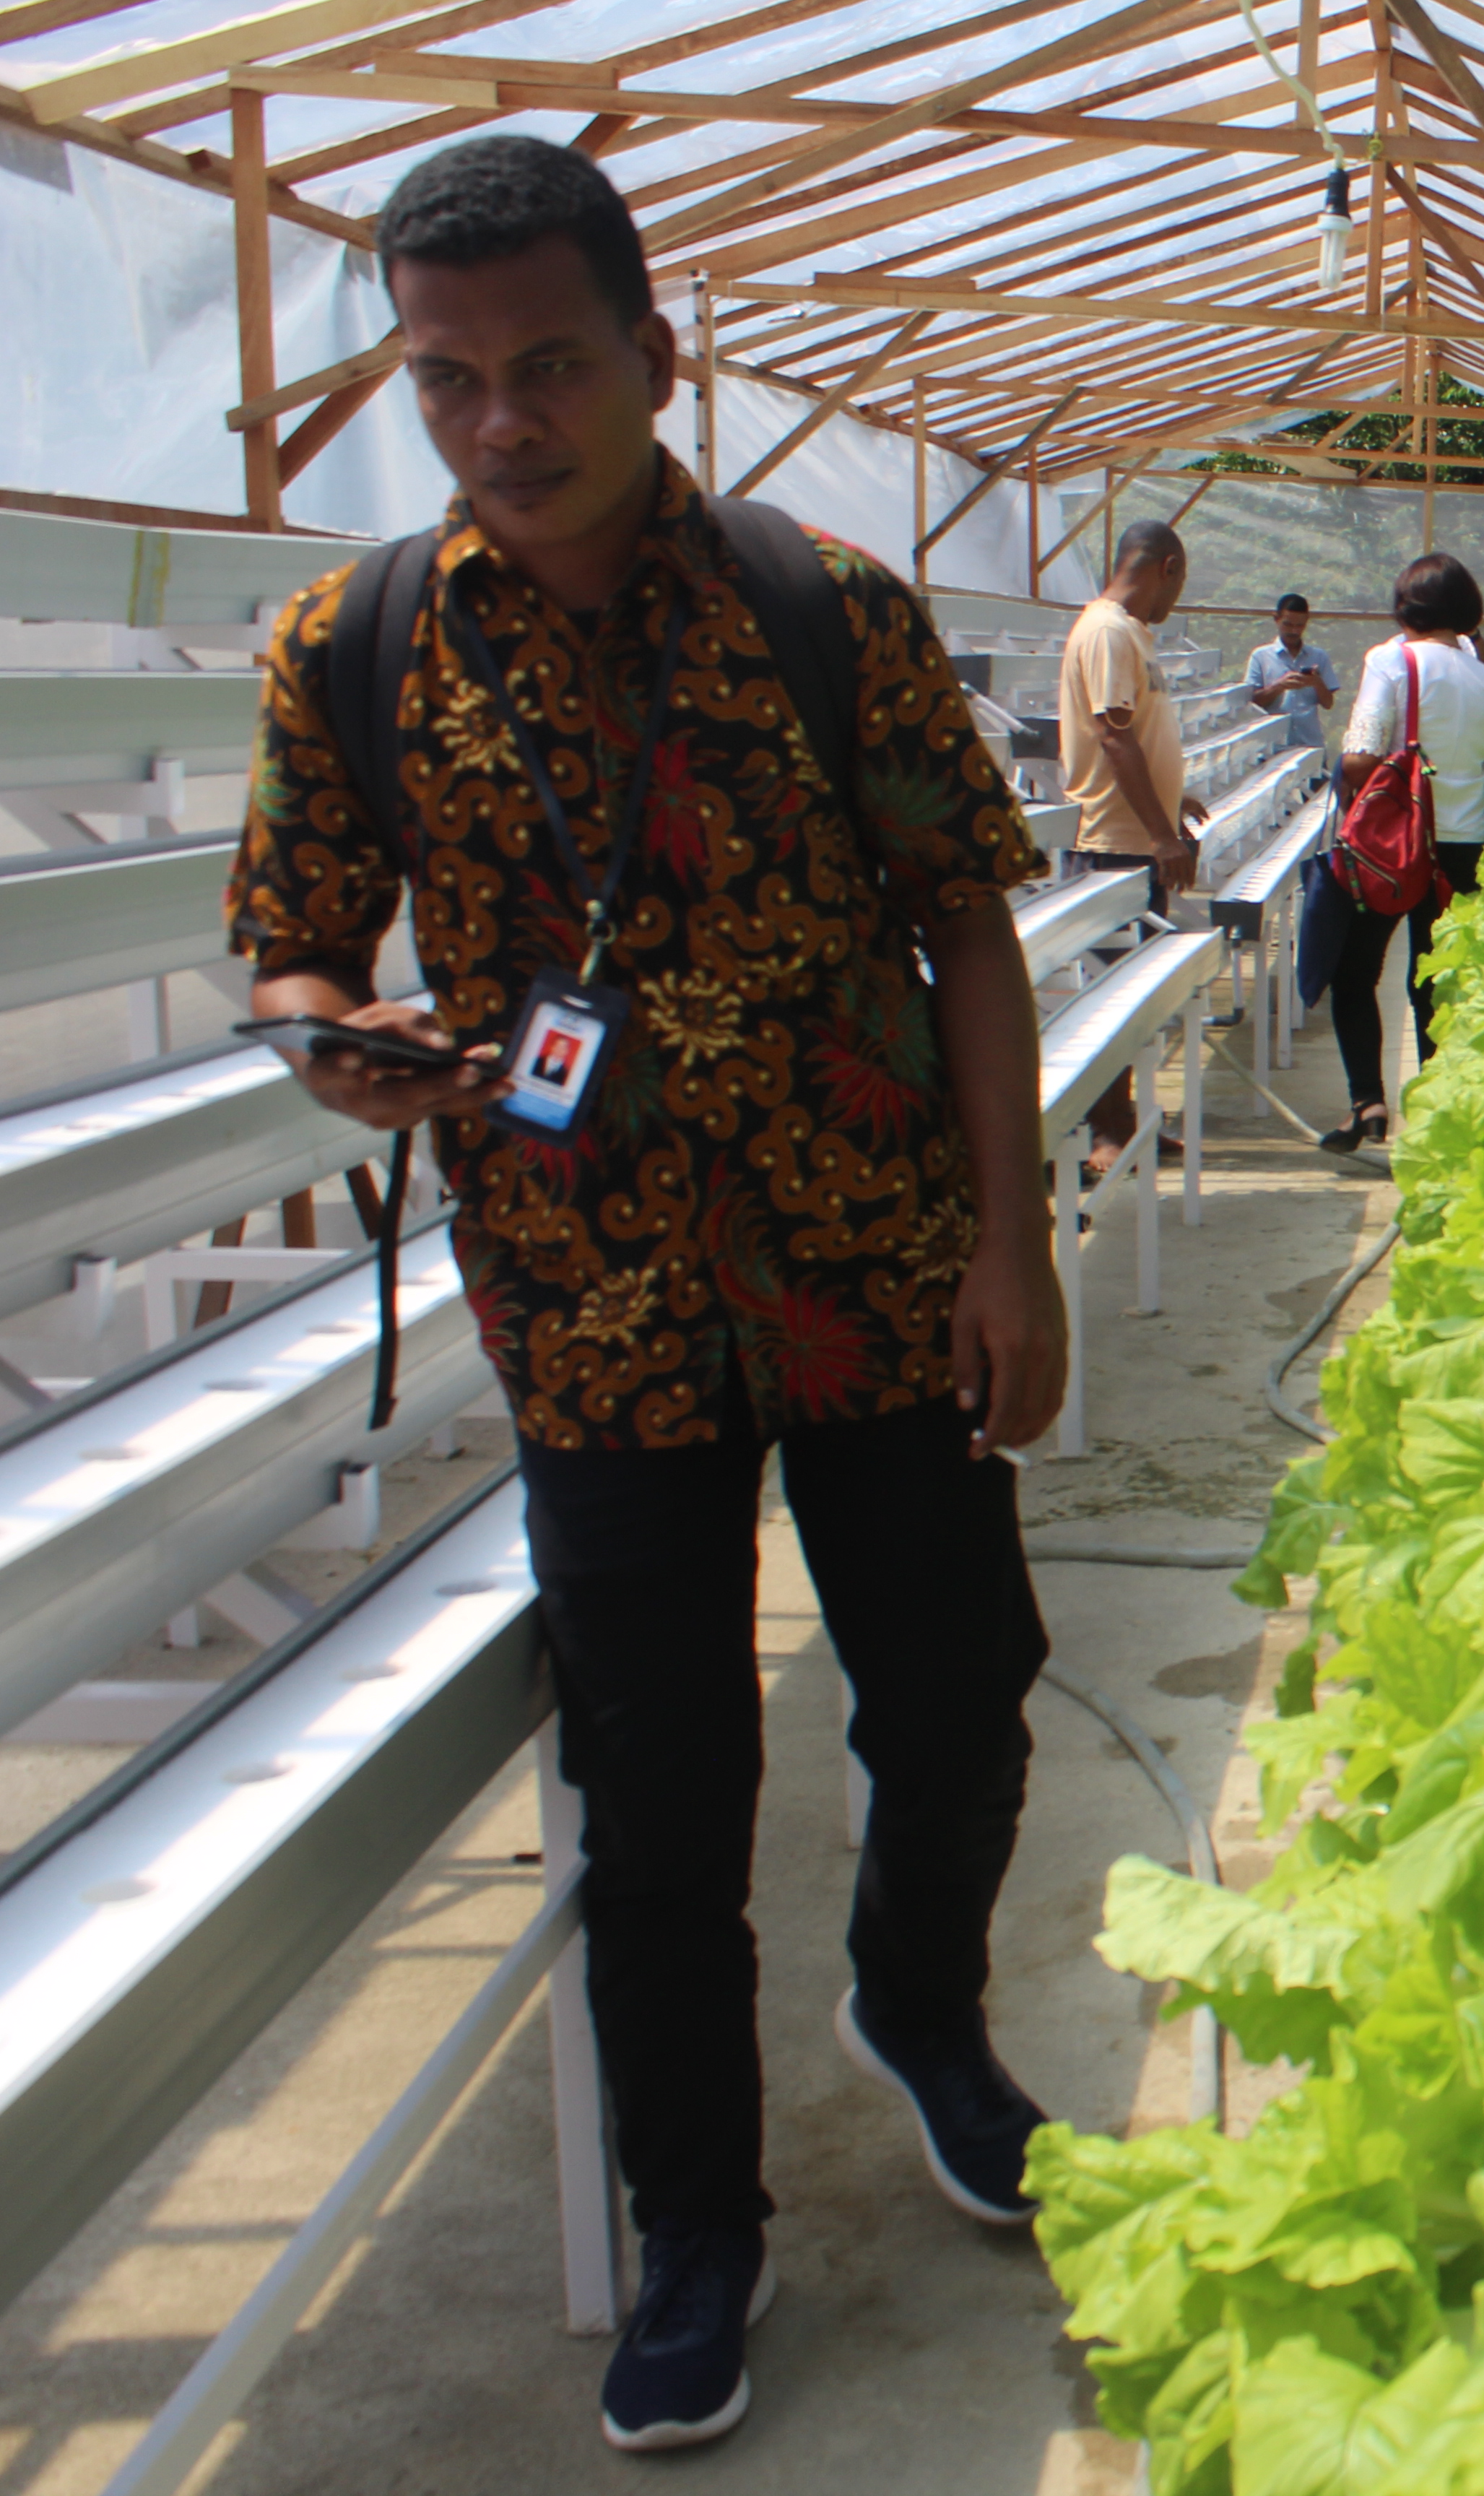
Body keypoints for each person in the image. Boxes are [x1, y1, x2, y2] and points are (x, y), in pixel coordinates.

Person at [225, 135, 1066, 2459]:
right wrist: (332, 1050)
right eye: (451, 377)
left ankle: (924, 2011)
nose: (506, 420)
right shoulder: (359, 644)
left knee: (969, 1687)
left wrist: (1017, 1243)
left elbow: (969, 927)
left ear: (651, 356)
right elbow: (292, 937)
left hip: (876, 1276)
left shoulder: (826, 605)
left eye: (552, 364)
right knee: (664, 1797)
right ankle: (699, 2223)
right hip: (589, 1316)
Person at [1322, 552, 1484, 1150]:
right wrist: (1466, 832)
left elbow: (1360, 756)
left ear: (1405, 609)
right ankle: (1438, 1120)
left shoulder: (1391, 660)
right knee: (1434, 983)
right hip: (1458, 850)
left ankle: (1368, 1105)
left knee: (1354, 974)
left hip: (1390, 848)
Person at [1056, 520, 1204, 1174]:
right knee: (1110, 992)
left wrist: (1176, 800)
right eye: (1181, 581)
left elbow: (1138, 733)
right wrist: (1160, 833)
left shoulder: (1129, 634)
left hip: (1135, 837)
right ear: (1167, 567)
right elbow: (1114, 739)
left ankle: (1127, 1118)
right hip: (1114, 842)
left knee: (1131, 992)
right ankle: (1105, 1133)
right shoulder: (1111, 631)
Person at [1244, 590, 1339, 753]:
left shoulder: (1319, 656)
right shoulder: (1260, 656)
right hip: (1271, 749)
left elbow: (1328, 703)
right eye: (1288, 624)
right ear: (1276, 619)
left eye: (1299, 626)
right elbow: (1251, 702)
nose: (1294, 631)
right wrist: (1279, 686)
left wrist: (1317, 683)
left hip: (1310, 746)